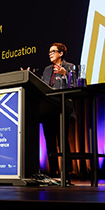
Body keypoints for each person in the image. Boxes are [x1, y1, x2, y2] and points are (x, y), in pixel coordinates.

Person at [40, 43, 75, 178]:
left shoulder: (69, 67)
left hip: (62, 110)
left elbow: (75, 85)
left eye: (53, 51)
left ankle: (66, 172)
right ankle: (53, 172)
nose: (50, 54)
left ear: (61, 53)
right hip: (48, 111)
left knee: (63, 142)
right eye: (49, 52)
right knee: (49, 142)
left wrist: (66, 75)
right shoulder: (47, 70)